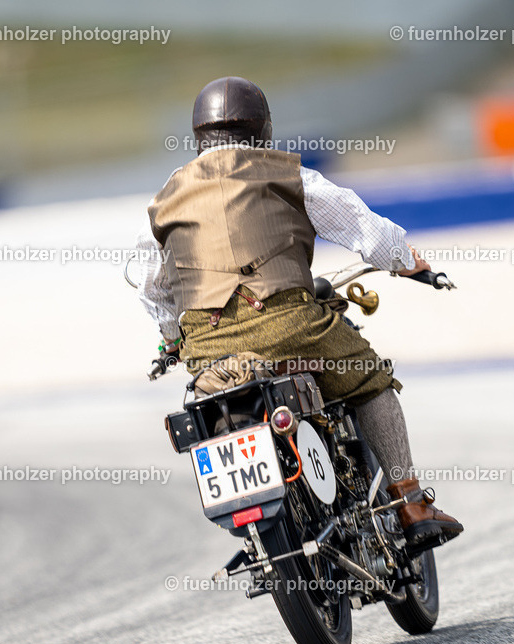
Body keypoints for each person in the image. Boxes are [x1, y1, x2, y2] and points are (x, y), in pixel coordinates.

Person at [135, 76, 462, 550]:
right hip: (291, 328)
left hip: (208, 352)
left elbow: (151, 284)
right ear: (262, 129)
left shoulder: (164, 199)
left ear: (198, 134)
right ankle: (410, 501)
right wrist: (407, 261)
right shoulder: (286, 174)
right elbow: (359, 224)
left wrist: (171, 338)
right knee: (370, 379)